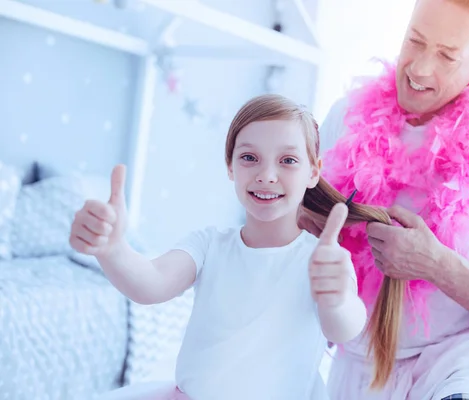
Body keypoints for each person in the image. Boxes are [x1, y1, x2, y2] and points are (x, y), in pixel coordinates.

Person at [297, 0, 469, 399]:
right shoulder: (344, 116)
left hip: (459, 362)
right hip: (360, 363)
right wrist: (299, 222)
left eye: (447, 56)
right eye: (415, 41)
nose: (418, 68)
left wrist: (437, 265)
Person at [69, 94, 381, 400]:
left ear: (313, 172)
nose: (267, 175)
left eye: (288, 161)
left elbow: (345, 328)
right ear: (230, 166)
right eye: (249, 158)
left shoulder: (323, 261)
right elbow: (151, 283)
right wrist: (112, 250)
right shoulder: (208, 245)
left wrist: (337, 299)